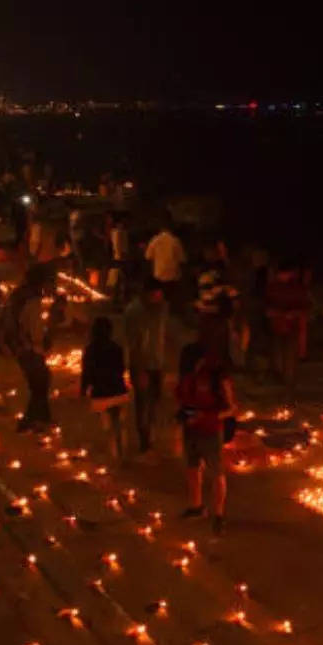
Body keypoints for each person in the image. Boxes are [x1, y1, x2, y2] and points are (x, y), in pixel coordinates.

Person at [175, 342, 237, 534]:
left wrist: (208, 417)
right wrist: (180, 426)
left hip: (211, 430)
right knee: (192, 468)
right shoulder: (187, 377)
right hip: (191, 429)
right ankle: (196, 507)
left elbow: (232, 408)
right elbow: (181, 400)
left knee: (216, 472)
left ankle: (219, 515)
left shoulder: (217, 377)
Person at [4, 266, 53, 432]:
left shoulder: (18, 295)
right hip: (28, 347)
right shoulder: (32, 300)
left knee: (41, 381)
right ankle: (28, 421)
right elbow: (34, 328)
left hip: (19, 345)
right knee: (39, 383)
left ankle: (44, 418)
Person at [124, 280, 169, 454]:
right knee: (142, 403)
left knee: (155, 400)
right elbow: (133, 344)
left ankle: (150, 432)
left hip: (157, 363)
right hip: (141, 365)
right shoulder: (134, 312)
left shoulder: (161, 309)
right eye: (155, 295)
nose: (159, 298)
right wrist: (139, 369)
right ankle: (144, 440)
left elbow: (162, 336)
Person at [81, 316, 131, 464]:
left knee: (107, 426)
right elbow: (121, 368)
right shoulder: (116, 348)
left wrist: (84, 390)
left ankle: (114, 455)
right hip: (117, 391)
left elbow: (87, 372)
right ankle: (121, 451)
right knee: (118, 423)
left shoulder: (90, 350)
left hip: (100, 394)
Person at [264, 262, 310, 395]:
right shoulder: (272, 287)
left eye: (286, 274)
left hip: (291, 327)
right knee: (276, 354)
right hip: (276, 326)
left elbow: (304, 307)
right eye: (281, 274)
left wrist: (293, 313)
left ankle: (289, 384)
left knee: (290, 356)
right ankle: (276, 379)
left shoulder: (297, 288)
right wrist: (272, 312)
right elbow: (267, 306)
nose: (283, 276)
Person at [144, 222, 186, 305]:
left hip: (159, 274)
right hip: (173, 276)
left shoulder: (155, 240)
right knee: (171, 299)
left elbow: (148, 256)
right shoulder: (175, 241)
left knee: (159, 299)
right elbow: (182, 259)